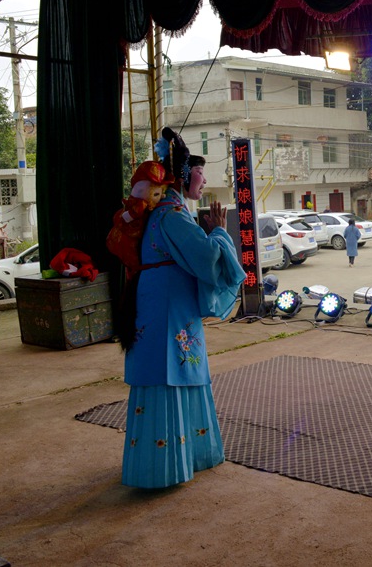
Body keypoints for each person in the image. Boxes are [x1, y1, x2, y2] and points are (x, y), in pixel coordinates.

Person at [121, 127, 246, 489]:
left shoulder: (164, 212)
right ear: (188, 174)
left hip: (163, 303)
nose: (205, 181)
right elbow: (207, 258)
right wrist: (221, 231)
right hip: (166, 309)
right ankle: (164, 470)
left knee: (176, 373)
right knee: (169, 375)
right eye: (202, 174)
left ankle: (180, 459)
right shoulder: (172, 215)